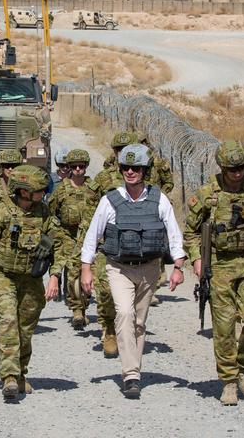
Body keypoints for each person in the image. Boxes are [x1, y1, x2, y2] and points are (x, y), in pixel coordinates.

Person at [81, 144, 185, 399]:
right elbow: (92, 236)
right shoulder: (110, 200)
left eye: (135, 168)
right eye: (126, 167)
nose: (130, 172)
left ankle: (133, 368)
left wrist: (178, 267)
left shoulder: (159, 199)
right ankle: (131, 375)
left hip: (149, 269)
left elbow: (173, 234)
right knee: (125, 314)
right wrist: (86, 268)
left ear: (144, 170)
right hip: (118, 268)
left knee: (139, 322)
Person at [183, 140, 244, 405]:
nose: (237, 172)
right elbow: (189, 232)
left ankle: (242, 368)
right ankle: (228, 381)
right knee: (223, 328)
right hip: (220, 265)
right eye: (231, 168)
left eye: (241, 167)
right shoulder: (207, 194)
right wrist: (197, 260)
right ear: (222, 167)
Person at [0, 165, 66, 401]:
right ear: (23, 191)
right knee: (8, 319)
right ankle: (8, 376)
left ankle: (20, 372)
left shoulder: (44, 213)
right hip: (2, 275)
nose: (42, 193)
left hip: (31, 279)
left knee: (25, 329)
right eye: (38, 190)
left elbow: (60, 245)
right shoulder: (1, 213)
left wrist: (55, 275)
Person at [92, 130, 137, 357]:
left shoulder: (144, 176)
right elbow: (91, 212)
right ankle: (109, 329)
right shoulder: (103, 178)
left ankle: (130, 331)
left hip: (137, 245)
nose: (123, 155)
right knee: (106, 289)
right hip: (108, 244)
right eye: (119, 151)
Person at [48, 149, 101, 329]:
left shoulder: (94, 188)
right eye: (74, 166)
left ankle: (85, 305)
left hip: (90, 237)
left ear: (86, 167)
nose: (78, 169)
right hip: (68, 236)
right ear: (69, 167)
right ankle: (77, 310)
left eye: (81, 166)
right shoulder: (61, 189)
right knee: (72, 274)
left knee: (89, 273)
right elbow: (52, 212)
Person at [134, 131, 174, 306]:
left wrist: (159, 196)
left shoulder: (158, 163)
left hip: (155, 207)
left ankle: (153, 287)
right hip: (135, 207)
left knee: (156, 244)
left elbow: (169, 182)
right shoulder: (130, 163)